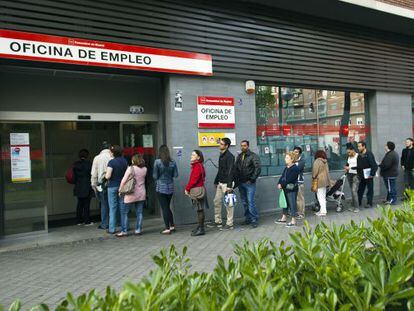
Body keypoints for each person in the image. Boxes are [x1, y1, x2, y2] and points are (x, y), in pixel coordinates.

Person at [118, 154, 147, 237]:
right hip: (141, 193)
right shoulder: (145, 169)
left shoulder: (130, 169)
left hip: (131, 193)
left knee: (125, 212)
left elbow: (124, 180)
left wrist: (120, 190)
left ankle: (124, 231)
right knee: (139, 212)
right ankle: (138, 230)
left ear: (133, 161)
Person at [234, 140, 261, 228]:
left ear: (248, 146)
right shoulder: (239, 156)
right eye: (241, 146)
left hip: (249, 183)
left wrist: (252, 179)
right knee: (244, 202)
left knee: (250, 202)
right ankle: (248, 218)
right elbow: (236, 168)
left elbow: (258, 168)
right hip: (241, 183)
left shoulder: (253, 156)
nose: (243, 147)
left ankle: (254, 219)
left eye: (244, 146)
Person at [153, 145, 178, 235]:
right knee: (167, 207)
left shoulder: (157, 162)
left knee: (164, 208)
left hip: (161, 187)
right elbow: (175, 175)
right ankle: (172, 225)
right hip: (170, 186)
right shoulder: (173, 162)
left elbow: (155, 176)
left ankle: (167, 228)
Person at [212, 137, 235, 230]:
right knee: (216, 201)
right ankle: (218, 222)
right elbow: (220, 170)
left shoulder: (230, 156)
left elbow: (231, 171)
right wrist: (216, 181)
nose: (219, 145)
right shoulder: (221, 155)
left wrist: (229, 186)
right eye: (220, 143)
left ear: (227, 146)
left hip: (227, 184)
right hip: (220, 183)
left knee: (229, 204)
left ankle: (230, 224)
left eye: (221, 144)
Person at [105, 145, 128, 234]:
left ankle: (112, 229)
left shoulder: (111, 162)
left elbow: (108, 176)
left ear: (113, 152)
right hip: (122, 187)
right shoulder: (124, 161)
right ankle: (125, 227)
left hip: (112, 186)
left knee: (112, 208)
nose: (110, 153)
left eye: (110, 152)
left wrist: (105, 175)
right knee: (123, 208)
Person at [91, 141, 112, 230]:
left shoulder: (97, 158)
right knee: (113, 204)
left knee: (104, 204)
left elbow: (94, 173)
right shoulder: (112, 157)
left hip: (101, 185)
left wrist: (93, 185)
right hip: (112, 183)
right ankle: (114, 222)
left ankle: (104, 224)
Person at [185, 150, 207, 236]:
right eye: (191, 154)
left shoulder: (197, 166)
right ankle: (200, 227)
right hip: (200, 189)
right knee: (199, 209)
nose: (191, 156)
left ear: (198, 157)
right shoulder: (199, 166)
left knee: (200, 209)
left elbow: (193, 180)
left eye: (193, 155)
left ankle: (201, 229)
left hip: (197, 190)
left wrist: (187, 188)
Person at [275, 152, 300, 227]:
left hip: (291, 189)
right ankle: (284, 218)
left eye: (287, 158)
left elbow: (290, 179)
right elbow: (282, 176)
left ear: (292, 159)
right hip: (285, 189)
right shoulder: (287, 167)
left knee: (292, 204)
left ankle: (293, 221)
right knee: (285, 204)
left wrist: (281, 184)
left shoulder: (295, 168)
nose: (285, 159)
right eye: (285, 157)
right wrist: (279, 183)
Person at [73, 149, 94, 225]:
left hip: (78, 186)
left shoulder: (76, 164)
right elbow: (92, 175)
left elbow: (74, 177)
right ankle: (87, 221)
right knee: (86, 204)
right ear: (87, 155)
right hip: (87, 186)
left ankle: (79, 220)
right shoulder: (89, 164)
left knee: (79, 204)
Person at [357, 141, 378, 209]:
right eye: (358, 146)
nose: (358, 148)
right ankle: (358, 202)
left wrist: (372, 174)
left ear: (364, 146)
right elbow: (358, 165)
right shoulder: (359, 155)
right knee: (360, 189)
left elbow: (374, 165)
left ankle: (369, 203)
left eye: (359, 146)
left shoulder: (369, 154)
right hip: (362, 176)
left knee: (370, 189)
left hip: (369, 175)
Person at [312, 150, 331, 217]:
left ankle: (323, 212)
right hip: (325, 180)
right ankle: (322, 210)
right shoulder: (325, 161)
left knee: (320, 197)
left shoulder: (317, 161)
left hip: (319, 180)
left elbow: (315, 172)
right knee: (323, 196)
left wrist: (313, 177)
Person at [344, 144, 360, 213]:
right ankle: (353, 206)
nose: (348, 154)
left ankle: (357, 207)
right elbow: (347, 164)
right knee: (352, 191)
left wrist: (350, 168)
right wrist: (346, 167)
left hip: (356, 175)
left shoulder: (358, 156)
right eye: (347, 153)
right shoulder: (349, 157)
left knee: (354, 191)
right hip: (349, 174)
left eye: (349, 152)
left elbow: (360, 166)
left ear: (353, 150)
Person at [293, 146, 305, 219]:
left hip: (299, 182)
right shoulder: (292, 160)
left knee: (300, 198)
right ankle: (297, 212)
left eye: (296, 152)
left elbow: (297, 169)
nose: (295, 153)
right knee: (295, 199)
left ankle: (301, 213)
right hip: (293, 182)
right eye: (294, 151)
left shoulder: (301, 161)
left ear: (299, 154)